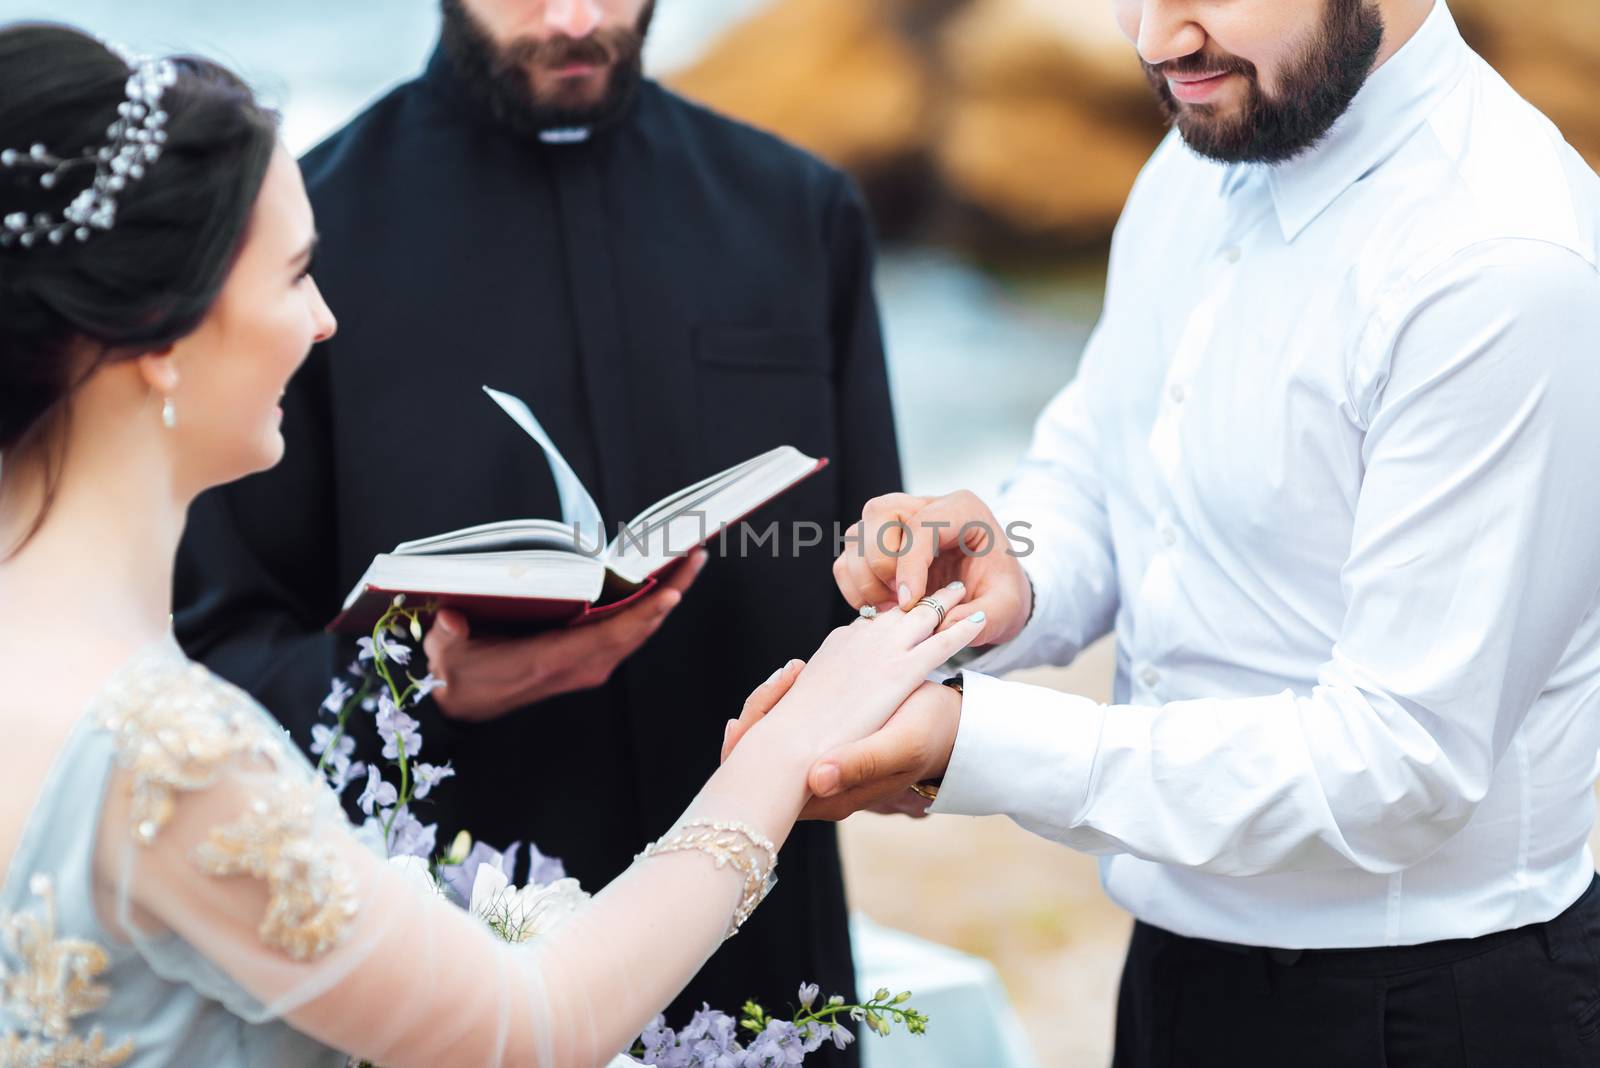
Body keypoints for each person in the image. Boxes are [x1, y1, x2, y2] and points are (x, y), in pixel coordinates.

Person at [0, 24, 981, 1065]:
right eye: (296, 278)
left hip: (767, 961)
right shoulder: (173, 755)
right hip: (453, 929)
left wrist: (928, 631)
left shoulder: (798, 208)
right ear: (163, 328)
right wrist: (420, 683)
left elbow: (862, 571)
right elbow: (528, 1028)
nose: (325, 320)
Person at [741, 0, 1600, 1064]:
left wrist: (972, 743)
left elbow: (1399, 763)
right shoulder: (1199, 154)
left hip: (1429, 1009)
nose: (1153, 41)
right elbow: (1103, 474)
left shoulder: (1503, 263)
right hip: (1169, 974)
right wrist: (1004, 578)